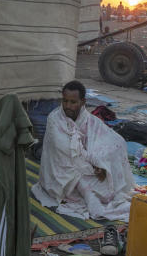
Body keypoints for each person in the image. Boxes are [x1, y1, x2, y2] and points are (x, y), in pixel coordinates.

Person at [31, 80, 134, 220]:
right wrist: (95, 166)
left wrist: (101, 163)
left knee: (116, 150)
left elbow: (113, 141)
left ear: (83, 102)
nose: (67, 106)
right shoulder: (54, 120)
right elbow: (68, 152)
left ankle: (97, 196)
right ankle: (92, 201)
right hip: (62, 171)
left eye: (73, 102)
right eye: (65, 101)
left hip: (86, 165)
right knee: (79, 174)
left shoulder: (89, 119)